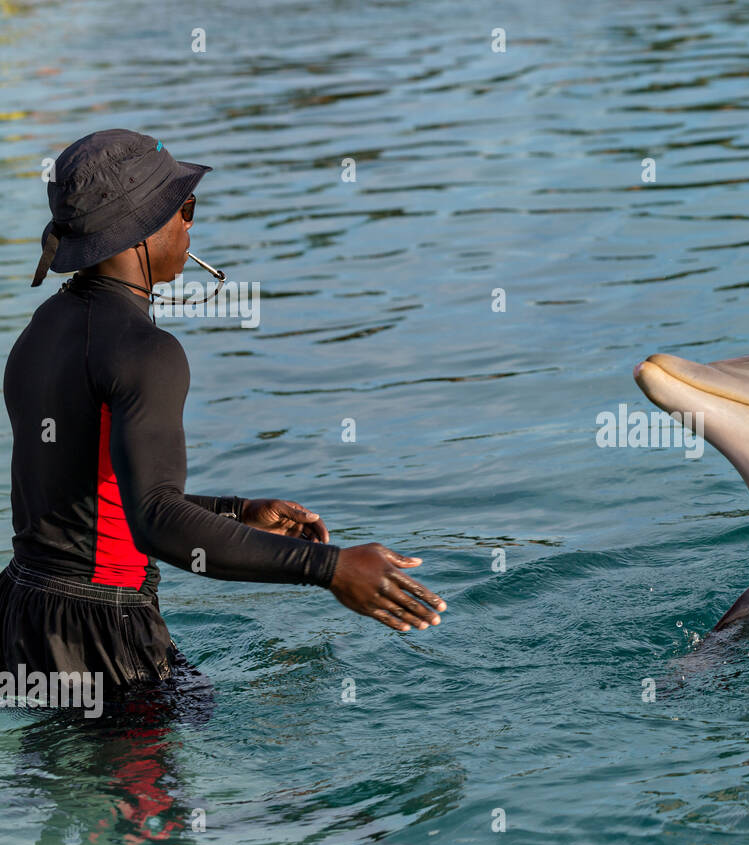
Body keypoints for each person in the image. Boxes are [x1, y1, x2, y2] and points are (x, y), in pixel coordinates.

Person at [1, 129, 446, 700]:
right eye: (185, 208)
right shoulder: (148, 352)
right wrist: (330, 567)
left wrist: (236, 512)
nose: (191, 226)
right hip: (100, 634)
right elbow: (155, 520)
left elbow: (88, 505)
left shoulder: (40, 332)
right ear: (141, 226)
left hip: (23, 616)